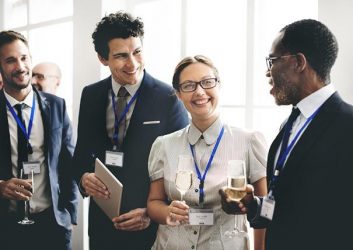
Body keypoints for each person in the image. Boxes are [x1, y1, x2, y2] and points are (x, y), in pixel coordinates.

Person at [220, 19, 353, 250]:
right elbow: (292, 206)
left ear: (298, 62)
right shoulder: (288, 125)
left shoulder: (348, 125)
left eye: (272, 61)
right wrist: (252, 205)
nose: (267, 71)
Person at [72, 11, 189, 250]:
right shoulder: (90, 95)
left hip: (149, 229)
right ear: (103, 58)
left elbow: (182, 167)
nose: (132, 64)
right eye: (121, 56)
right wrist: (83, 178)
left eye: (137, 52)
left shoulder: (168, 97)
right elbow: (82, 153)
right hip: (102, 226)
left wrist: (151, 212)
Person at [147, 55, 267, 250]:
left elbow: (264, 213)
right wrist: (167, 212)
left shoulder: (250, 141)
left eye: (207, 82)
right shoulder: (163, 145)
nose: (200, 92)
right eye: (188, 85)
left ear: (219, 85)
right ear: (178, 94)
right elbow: (154, 202)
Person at [0, 30, 79, 250]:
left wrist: (70, 215)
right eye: (10, 60)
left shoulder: (57, 106)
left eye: (24, 58)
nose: (20, 66)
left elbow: (68, 162)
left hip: (52, 224)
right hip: (6, 226)